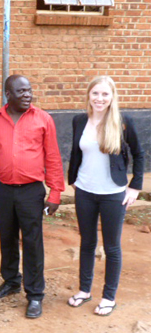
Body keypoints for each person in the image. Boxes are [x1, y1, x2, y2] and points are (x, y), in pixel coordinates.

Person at [0, 75, 65, 319]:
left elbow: (53, 158)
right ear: (8, 94)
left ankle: (35, 295)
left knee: (33, 243)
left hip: (31, 190)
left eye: (29, 90)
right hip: (2, 190)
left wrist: (55, 192)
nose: (27, 95)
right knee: (7, 238)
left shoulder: (43, 119)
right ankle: (11, 280)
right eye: (21, 91)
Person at [66, 76, 144, 316]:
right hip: (85, 191)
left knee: (111, 247)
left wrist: (134, 187)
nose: (99, 99)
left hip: (113, 193)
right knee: (87, 243)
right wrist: (74, 182)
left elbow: (139, 154)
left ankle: (109, 297)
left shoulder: (122, 121)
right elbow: (77, 153)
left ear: (112, 97)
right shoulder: (79, 120)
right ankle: (84, 290)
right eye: (95, 94)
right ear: (89, 95)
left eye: (105, 94)